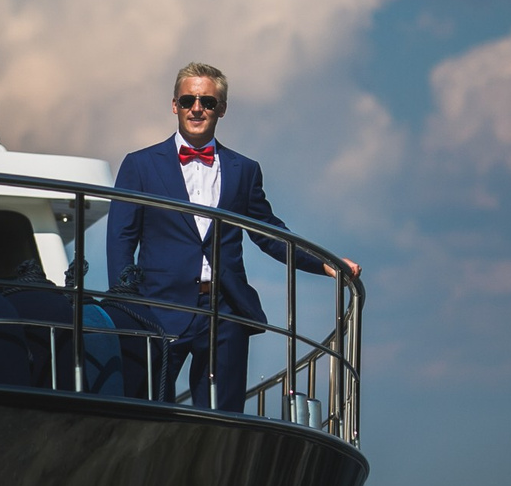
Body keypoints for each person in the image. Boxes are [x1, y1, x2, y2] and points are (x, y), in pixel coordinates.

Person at [92, 62, 357, 413]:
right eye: (188, 100)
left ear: (222, 109)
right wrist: (127, 304)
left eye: (207, 102)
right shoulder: (140, 165)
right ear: (174, 105)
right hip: (157, 308)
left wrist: (323, 264)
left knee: (224, 418)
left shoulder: (244, 170)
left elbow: (269, 233)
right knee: (149, 412)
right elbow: (120, 239)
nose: (196, 108)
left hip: (225, 310)